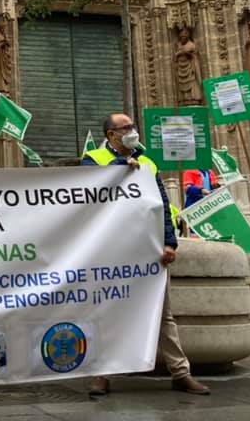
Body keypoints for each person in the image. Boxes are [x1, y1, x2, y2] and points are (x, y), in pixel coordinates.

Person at [81, 113, 210, 397]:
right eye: (125, 128)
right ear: (111, 134)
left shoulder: (148, 162)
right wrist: (119, 167)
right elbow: (87, 190)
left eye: (132, 126)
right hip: (111, 249)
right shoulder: (94, 158)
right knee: (106, 311)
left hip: (147, 249)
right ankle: (101, 374)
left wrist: (169, 242)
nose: (132, 131)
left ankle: (181, 373)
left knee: (163, 314)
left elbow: (162, 204)